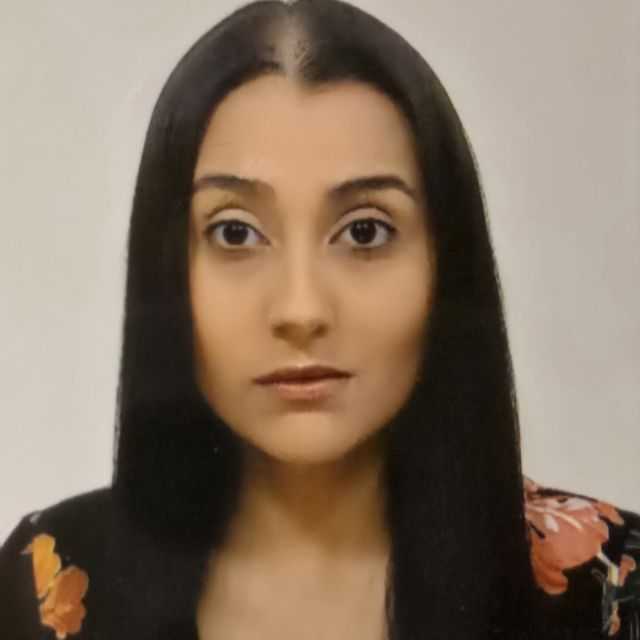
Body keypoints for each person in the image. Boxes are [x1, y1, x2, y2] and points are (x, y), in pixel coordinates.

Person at [1, 1, 638, 638]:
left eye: (364, 231)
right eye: (234, 232)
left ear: (446, 262)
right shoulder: (46, 587)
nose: (300, 310)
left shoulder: (610, 590)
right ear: (165, 267)